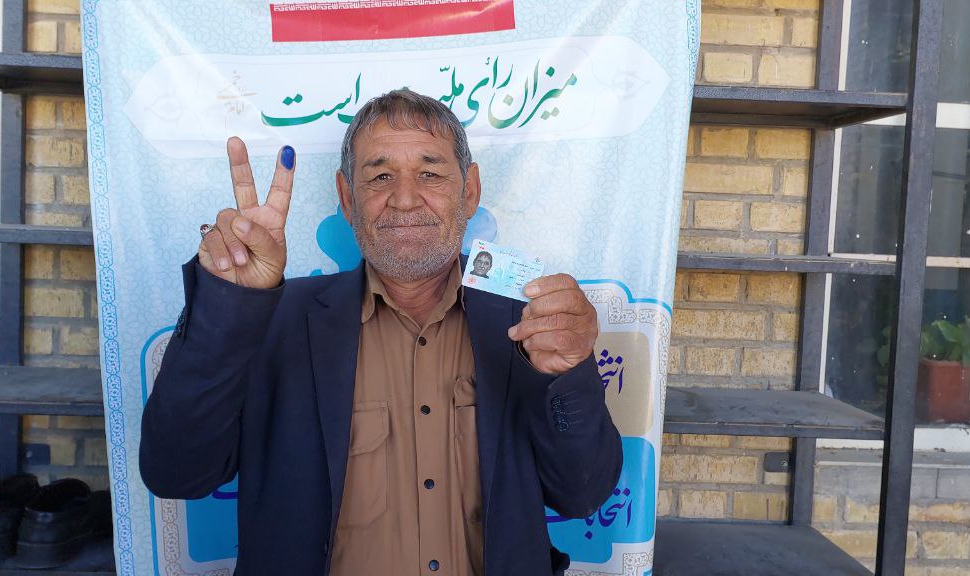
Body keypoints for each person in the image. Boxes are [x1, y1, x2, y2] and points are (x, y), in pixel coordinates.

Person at [140, 89, 622, 576]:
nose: (405, 199)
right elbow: (176, 472)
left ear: (470, 191)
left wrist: (569, 372)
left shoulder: (527, 325)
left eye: (430, 174)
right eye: (380, 176)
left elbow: (582, 493)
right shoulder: (274, 318)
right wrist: (230, 307)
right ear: (348, 199)